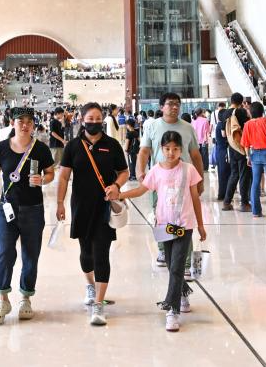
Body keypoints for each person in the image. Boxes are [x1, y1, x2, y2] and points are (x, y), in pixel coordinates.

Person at [120, 131, 206, 332]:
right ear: (161, 149)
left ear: (181, 150)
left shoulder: (189, 170)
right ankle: (182, 292)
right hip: (164, 225)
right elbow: (141, 190)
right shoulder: (156, 171)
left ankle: (172, 310)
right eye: (167, 149)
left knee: (177, 267)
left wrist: (201, 225)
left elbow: (195, 198)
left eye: (175, 149)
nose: (171, 153)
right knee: (170, 264)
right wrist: (120, 194)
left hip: (184, 225)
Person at [57, 102, 129, 326]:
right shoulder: (73, 146)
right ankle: (90, 285)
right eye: (90, 119)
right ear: (82, 120)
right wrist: (59, 203)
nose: (95, 122)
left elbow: (124, 172)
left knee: (101, 254)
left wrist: (116, 185)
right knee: (86, 253)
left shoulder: (112, 145)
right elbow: (63, 177)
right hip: (81, 206)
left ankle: (99, 303)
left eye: (98, 118)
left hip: (104, 207)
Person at [0, 107, 55, 324]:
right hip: (8, 209)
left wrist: (43, 180)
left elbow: (51, 172)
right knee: (4, 252)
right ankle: (3, 299)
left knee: (30, 255)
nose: (25, 125)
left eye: (29, 122)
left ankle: (25, 298)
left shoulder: (40, 148)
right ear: (12, 123)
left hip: (33, 209)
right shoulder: (2, 147)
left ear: (33, 125)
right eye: (20, 121)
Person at [137, 92, 203, 268]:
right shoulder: (152, 126)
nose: (174, 107)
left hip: (184, 181)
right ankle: (164, 250)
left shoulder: (188, 127)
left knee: (184, 218)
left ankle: (185, 260)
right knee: (161, 215)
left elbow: (195, 155)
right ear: (161, 107)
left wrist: (201, 180)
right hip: (161, 181)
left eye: (177, 104)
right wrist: (140, 171)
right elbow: (144, 151)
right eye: (170, 104)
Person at [240, 101, 266, 218]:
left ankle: (256, 211)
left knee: (255, 182)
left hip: (254, 154)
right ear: (262, 111)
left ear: (251, 112)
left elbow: (245, 143)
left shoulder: (247, 124)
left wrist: (248, 156)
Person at [222, 93, 251, 213]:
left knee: (234, 174)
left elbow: (223, 133)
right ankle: (244, 203)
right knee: (244, 174)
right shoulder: (240, 112)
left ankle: (226, 202)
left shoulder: (225, 113)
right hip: (241, 146)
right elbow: (247, 127)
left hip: (231, 146)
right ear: (241, 102)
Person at [213, 103, 231, 202]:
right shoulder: (222, 126)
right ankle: (223, 195)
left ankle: (222, 194)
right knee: (224, 173)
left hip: (220, 151)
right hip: (223, 152)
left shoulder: (219, 125)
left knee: (222, 173)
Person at [191, 108, 211, 173]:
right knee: (204, 155)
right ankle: (205, 168)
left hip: (195, 141)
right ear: (202, 113)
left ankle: (197, 167)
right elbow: (207, 131)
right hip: (203, 141)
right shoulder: (205, 120)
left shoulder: (193, 120)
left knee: (197, 155)